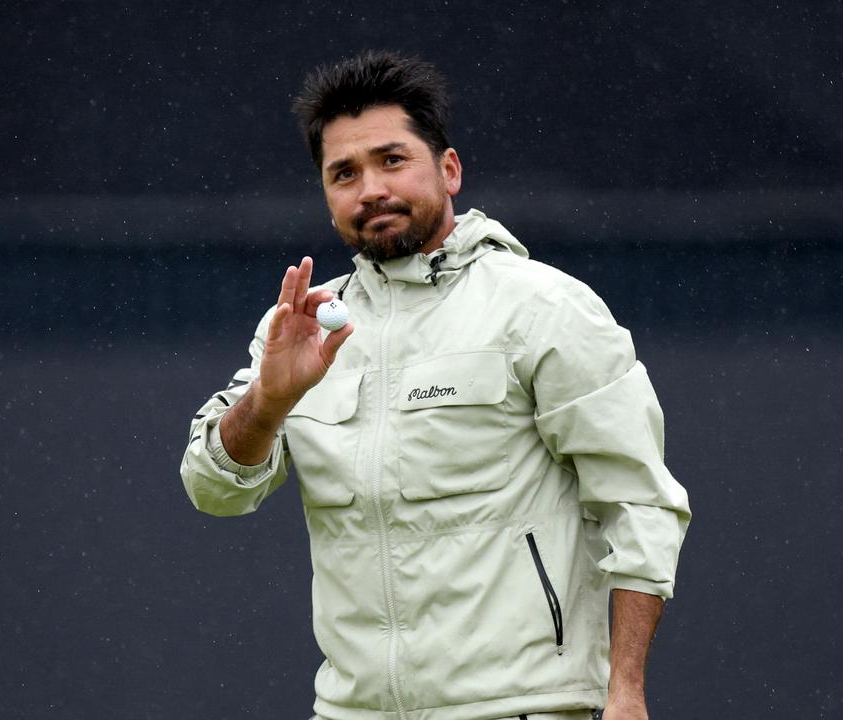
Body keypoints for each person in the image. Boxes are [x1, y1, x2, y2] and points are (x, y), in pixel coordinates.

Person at [180, 51, 691, 720]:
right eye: (344, 174)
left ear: (449, 170)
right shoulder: (305, 324)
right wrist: (270, 402)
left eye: (392, 160)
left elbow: (641, 504)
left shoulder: (542, 306)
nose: (370, 190)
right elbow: (213, 491)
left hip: (520, 706)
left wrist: (625, 692)